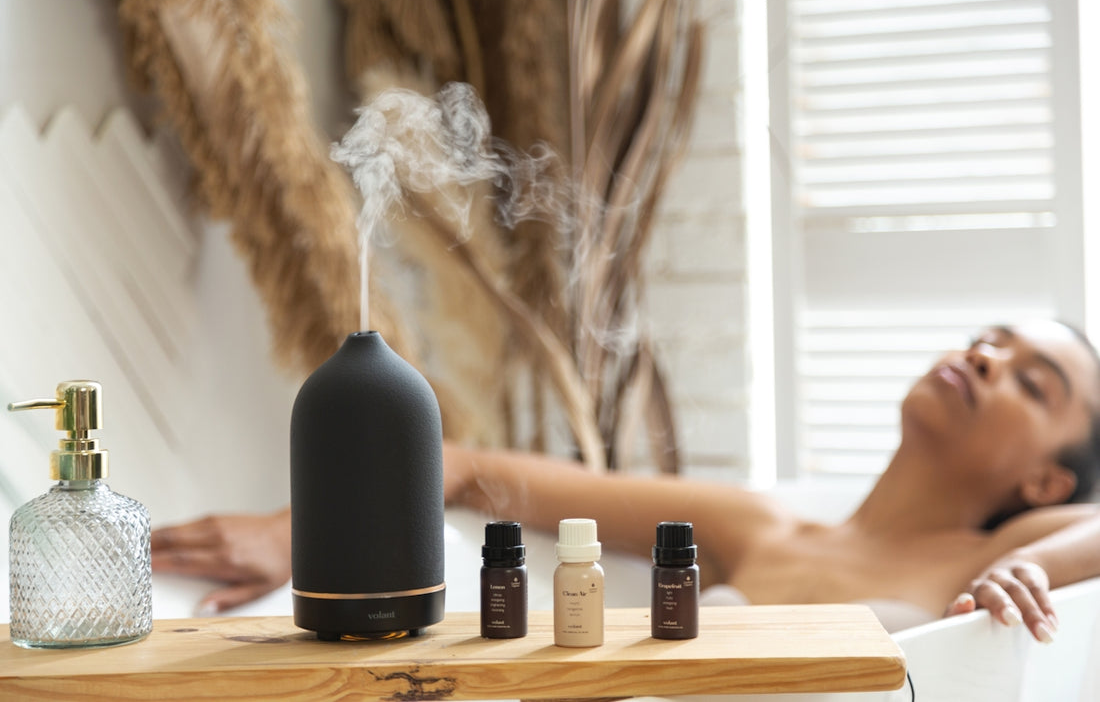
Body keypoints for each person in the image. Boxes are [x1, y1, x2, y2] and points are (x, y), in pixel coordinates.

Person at [151, 319, 1100, 642]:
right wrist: (295, 529)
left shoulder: (1000, 558)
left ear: (1051, 480)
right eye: (991, 338)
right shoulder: (761, 525)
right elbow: (478, 472)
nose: (986, 357)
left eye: (1030, 380)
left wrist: (1039, 573)